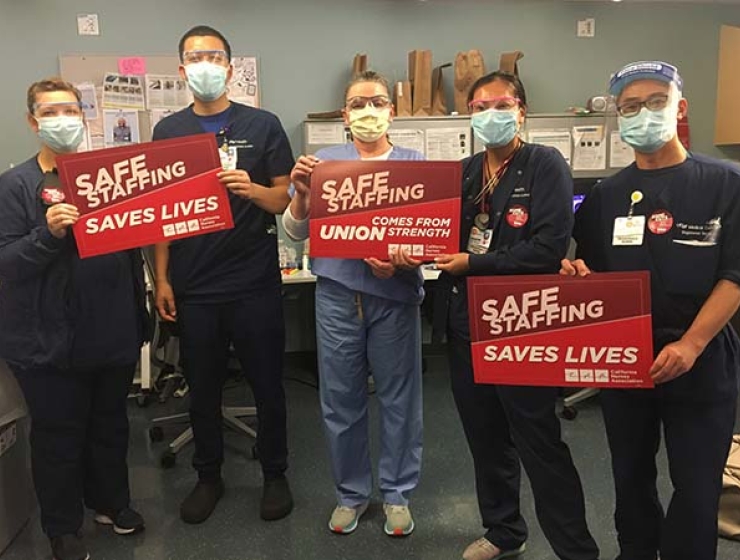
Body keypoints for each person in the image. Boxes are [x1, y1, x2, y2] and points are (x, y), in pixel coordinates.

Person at [562, 61, 740, 560]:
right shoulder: (605, 196)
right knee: (630, 472)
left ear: (680, 108)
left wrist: (692, 343)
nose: (643, 114)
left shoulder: (726, 183)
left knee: (697, 480)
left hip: (700, 356)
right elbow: (598, 277)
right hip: (627, 359)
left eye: (655, 102)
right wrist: (580, 280)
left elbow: (735, 276)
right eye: (630, 107)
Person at [433, 71, 600, 560]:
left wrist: (475, 263)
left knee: (539, 442)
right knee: (485, 439)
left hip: (519, 324)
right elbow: (439, 239)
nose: (490, 113)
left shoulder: (544, 165)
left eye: (501, 103)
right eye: (479, 105)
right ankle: (505, 530)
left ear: (521, 110)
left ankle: (575, 549)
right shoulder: (463, 172)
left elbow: (548, 249)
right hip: (465, 322)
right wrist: (405, 250)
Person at [0, 78, 148, 560]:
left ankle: (111, 502)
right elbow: (7, 262)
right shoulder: (16, 185)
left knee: (110, 426)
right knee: (59, 435)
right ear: (32, 120)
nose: (62, 118)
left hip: (110, 330)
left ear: (84, 116)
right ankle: (62, 527)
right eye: (50, 111)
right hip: (46, 341)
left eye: (70, 109)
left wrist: (139, 316)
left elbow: (130, 252)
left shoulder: (109, 176)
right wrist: (49, 233)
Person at [152, 25, 294, 524]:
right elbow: (161, 216)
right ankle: (208, 475)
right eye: (194, 57)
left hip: (253, 281)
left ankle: (275, 473)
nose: (204, 64)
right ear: (182, 69)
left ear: (231, 68)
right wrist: (163, 279)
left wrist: (250, 190)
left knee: (267, 385)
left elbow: (284, 199)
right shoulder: (167, 132)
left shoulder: (264, 124)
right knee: (203, 387)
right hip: (195, 287)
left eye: (213, 56)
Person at [282, 71, 424, 537]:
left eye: (377, 102)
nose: (368, 111)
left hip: (395, 296)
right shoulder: (325, 163)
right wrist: (302, 193)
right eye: (358, 104)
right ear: (345, 115)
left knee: (400, 398)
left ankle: (398, 492)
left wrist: (403, 262)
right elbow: (295, 231)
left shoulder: (415, 166)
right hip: (339, 294)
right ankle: (351, 493)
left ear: (392, 110)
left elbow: (428, 238)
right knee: (340, 399)